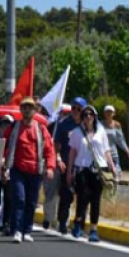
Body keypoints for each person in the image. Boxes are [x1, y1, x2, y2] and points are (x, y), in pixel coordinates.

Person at [2, 98, 56, 244]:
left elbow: (49, 149)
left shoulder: (41, 128)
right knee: (19, 199)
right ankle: (17, 230)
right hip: (17, 169)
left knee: (31, 202)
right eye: (24, 107)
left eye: (30, 107)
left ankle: (27, 230)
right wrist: (1, 159)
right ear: (21, 110)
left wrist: (50, 167)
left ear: (35, 110)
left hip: (35, 171)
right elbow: (2, 142)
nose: (27, 110)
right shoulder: (14, 127)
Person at [67, 106, 116, 242]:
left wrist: (113, 168)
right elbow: (72, 153)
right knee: (83, 197)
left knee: (95, 200)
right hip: (82, 168)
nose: (88, 117)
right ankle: (78, 222)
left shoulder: (101, 132)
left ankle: (93, 229)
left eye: (91, 114)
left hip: (99, 168)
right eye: (85, 115)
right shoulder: (77, 132)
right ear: (82, 117)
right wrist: (69, 172)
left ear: (94, 116)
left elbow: (106, 151)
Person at [53, 96, 86, 235]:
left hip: (83, 166)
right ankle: (62, 223)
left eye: (79, 109)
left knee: (83, 197)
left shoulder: (87, 125)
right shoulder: (63, 124)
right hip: (67, 165)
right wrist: (58, 159)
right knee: (66, 196)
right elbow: (56, 144)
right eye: (73, 108)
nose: (75, 111)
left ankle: (79, 226)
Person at [101, 105, 129, 181]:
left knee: (116, 175)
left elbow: (120, 140)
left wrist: (128, 151)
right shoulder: (99, 124)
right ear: (104, 113)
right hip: (102, 154)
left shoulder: (117, 125)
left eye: (110, 112)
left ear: (114, 114)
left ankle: (115, 190)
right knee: (103, 177)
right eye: (107, 112)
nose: (109, 113)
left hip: (113, 154)